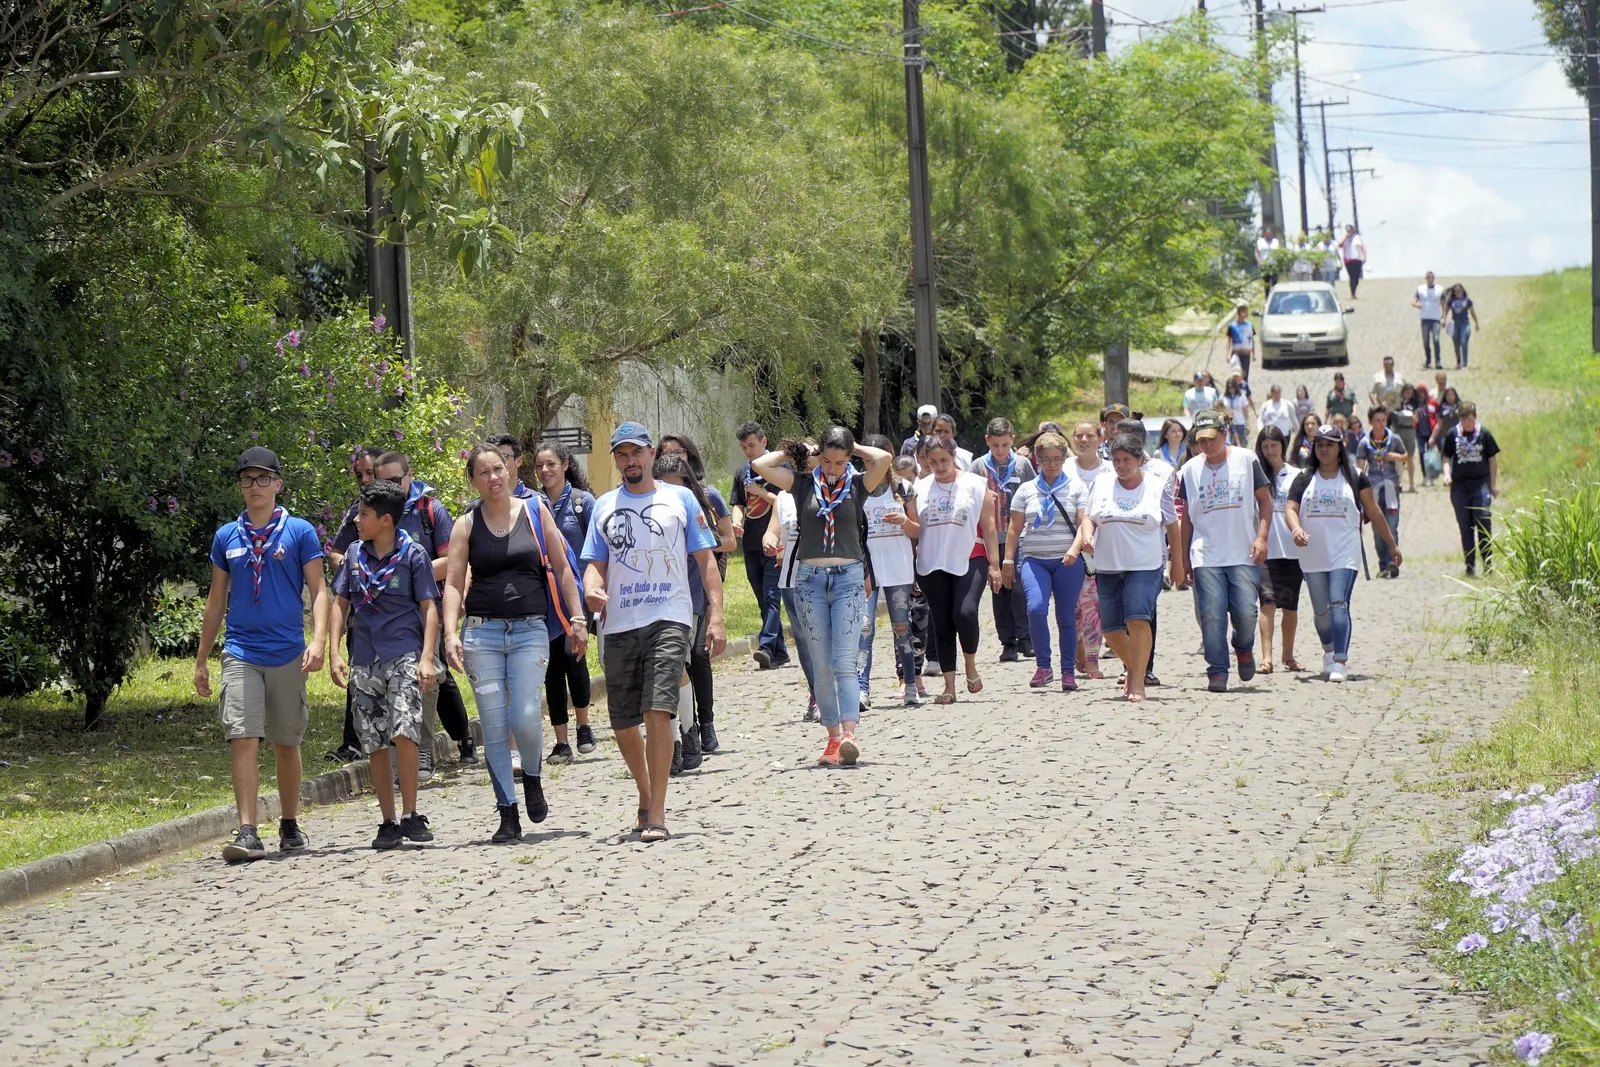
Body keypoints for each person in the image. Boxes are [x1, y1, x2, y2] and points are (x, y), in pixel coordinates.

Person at [580, 423, 723, 842]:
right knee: (624, 723)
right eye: (622, 455)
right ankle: (644, 794)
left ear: (650, 455)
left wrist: (716, 615)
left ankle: (657, 811)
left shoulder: (680, 499)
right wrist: (591, 587)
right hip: (620, 623)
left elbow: (706, 560)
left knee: (658, 710)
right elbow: (595, 563)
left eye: (637, 453)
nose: (630, 461)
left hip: (670, 616)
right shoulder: (604, 506)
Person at [443, 445, 586, 843]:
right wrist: (451, 633)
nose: (493, 477)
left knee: (524, 715)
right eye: (484, 472)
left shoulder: (535, 510)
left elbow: (562, 567)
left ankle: (533, 776)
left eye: (498, 468)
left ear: (508, 470)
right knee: (493, 725)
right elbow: (453, 583)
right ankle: (507, 813)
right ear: (473, 480)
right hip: (482, 634)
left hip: (529, 631)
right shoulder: (465, 524)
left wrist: (577, 618)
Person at [195, 447, 328, 862]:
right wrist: (201, 658)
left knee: (286, 741)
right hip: (241, 651)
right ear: (240, 486)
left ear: (278, 484)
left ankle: (289, 823)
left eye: (263, 478)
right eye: (247, 479)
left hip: (287, 651)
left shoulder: (299, 532)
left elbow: (319, 590)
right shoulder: (226, 536)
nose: (255, 486)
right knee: (243, 736)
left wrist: (319, 640)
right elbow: (216, 599)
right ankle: (248, 830)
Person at [753, 428, 892, 765]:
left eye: (839, 462)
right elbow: (760, 465)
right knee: (822, 666)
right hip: (810, 580)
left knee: (844, 661)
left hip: (848, 579)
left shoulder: (857, 484)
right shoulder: (802, 484)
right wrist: (798, 450)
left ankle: (849, 735)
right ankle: (832, 739)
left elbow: (884, 459)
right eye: (826, 461)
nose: (832, 468)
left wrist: (854, 448)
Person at [328, 480, 440, 850]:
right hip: (364, 658)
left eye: (363, 515)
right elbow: (340, 603)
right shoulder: (354, 555)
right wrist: (334, 652)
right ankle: (388, 820)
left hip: (403, 654)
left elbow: (429, 607)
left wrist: (427, 657)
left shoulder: (413, 554)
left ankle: (410, 813)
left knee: (404, 731)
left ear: (386, 520)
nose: (356, 521)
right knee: (373, 740)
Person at [1067, 432, 1184, 703]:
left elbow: (1172, 524)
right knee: (1111, 630)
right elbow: (1089, 518)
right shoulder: (1102, 482)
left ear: (1139, 459)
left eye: (1126, 460)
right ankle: (1135, 667)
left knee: (1138, 618)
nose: (1120, 466)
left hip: (1145, 565)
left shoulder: (1156, 485)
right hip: (1108, 566)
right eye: (1117, 460)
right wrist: (1087, 536)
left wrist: (1177, 563)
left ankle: (1138, 681)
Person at [372, 452, 466, 782]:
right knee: (385, 681)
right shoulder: (368, 512)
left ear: (409, 476)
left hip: (425, 609)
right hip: (382, 614)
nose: (390, 487)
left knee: (425, 679)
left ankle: (423, 747)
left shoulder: (430, 510)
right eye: (382, 481)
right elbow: (347, 553)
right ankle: (395, 753)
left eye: (395, 481)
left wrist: (407, 573)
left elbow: (452, 560)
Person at [1285, 426, 1402, 682]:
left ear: (1339, 447)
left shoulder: (1356, 477)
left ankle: (1340, 660)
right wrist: (1296, 529)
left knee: (1338, 602)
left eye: (1329, 444)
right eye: (1319, 444)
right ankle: (1328, 649)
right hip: (1313, 554)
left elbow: (1374, 511)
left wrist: (1392, 545)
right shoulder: (1304, 478)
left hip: (1345, 552)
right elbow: (1290, 509)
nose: (1324, 449)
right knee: (1321, 611)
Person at [1177, 410, 1273, 693]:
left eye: (1211, 439)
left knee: (1246, 613)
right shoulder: (1190, 470)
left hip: (1242, 551)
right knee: (1212, 615)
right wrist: (1182, 558)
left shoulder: (1246, 460)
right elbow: (1187, 518)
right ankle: (1217, 669)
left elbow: (1265, 502)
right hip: (1206, 554)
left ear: (1224, 434)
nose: (1206, 445)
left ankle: (1243, 646)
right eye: (1200, 440)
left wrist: (1262, 537)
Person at [660, 433, 734, 769]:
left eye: (679, 453)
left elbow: (727, 542)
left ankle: (702, 726)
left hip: (695, 591)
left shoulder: (706, 497)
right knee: (674, 667)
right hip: (660, 598)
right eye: (666, 453)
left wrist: (699, 542)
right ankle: (679, 737)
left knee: (696, 660)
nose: (674, 458)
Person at [913, 433, 1001, 704]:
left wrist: (995, 565)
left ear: (953, 457)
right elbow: (914, 529)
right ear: (924, 462)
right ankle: (949, 686)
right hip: (932, 561)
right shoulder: (919, 489)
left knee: (965, 613)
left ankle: (970, 665)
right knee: (942, 622)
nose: (939, 466)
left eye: (944, 460)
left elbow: (989, 526)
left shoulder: (975, 484)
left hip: (970, 555)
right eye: (932, 462)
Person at [1003, 432, 1089, 691]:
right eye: (1046, 459)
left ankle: (1067, 672)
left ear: (1063, 459)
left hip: (1067, 561)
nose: (1052, 464)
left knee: (1066, 616)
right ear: (1038, 461)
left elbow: (1084, 523)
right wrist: (1008, 561)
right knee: (1036, 608)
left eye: (1057, 459)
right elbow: (1014, 528)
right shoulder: (1026, 490)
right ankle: (1043, 666)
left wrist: (1075, 549)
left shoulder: (1077, 487)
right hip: (1034, 559)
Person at [653, 452, 721, 773]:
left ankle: (688, 732)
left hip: (685, 600)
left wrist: (715, 612)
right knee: (658, 674)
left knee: (675, 666)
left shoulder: (692, 507)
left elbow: (710, 558)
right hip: (646, 603)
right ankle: (676, 739)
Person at [532, 440, 599, 762]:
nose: (545, 470)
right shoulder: (532, 505)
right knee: (551, 669)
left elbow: (598, 547)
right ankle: (561, 742)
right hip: (543, 599)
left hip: (577, 596)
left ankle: (584, 726)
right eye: (539, 466)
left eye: (551, 464)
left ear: (565, 465)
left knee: (574, 658)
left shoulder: (582, 502)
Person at [324, 445, 388, 765]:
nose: (364, 480)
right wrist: (358, 575)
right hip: (363, 609)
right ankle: (353, 743)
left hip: (401, 612)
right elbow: (336, 553)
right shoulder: (355, 513)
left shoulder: (408, 510)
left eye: (370, 473)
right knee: (359, 673)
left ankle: (459, 738)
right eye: (359, 475)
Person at [857, 435, 921, 709]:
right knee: (864, 628)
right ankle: (861, 689)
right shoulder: (856, 486)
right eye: (867, 458)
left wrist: (904, 520)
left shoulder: (903, 488)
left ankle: (910, 684)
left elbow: (917, 531)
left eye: (877, 457)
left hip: (897, 566)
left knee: (901, 627)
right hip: (866, 568)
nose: (872, 463)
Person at [764, 443, 821, 719]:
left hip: (825, 574)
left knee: (826, 637)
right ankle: (817, 694)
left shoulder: (831, 488)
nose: (806, 462)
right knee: (804, 640)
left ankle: (839, 691)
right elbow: (772, 531)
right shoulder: (783, 496)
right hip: (792, 576)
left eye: (812, 457)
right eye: (801, 458)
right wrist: (769, 540)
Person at [730, 421, 789, 672]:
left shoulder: (780, 470)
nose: (748, 451)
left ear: (764, 442)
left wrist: (760, 491)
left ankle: (765, 646)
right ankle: (780, 651)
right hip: (751, 543)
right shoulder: (741, 472)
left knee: (772, 595)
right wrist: (736, 522)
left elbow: (784, 503)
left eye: (752, 445)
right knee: (762, 599)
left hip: (775, 543)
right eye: (744, 447)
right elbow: (738, 504)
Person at [978, 418, 1035, 661]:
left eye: (1005, 445)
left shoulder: (1022, 464)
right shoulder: (978, 466)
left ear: (1012, 440)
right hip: (992, 537)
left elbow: (1034, 491)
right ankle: (1008, 642)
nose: (1000, 450)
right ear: (987, 441)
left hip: (1019, 534)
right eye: (995, 445)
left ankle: (1026, 637)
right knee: (999, 588)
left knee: (1021, 586)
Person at [1254, 427, 1303, 673]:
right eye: (1265, 446)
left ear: (1283, 445)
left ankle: (1288, 656)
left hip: (1292, 551)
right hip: (1266, 550)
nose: (1270, 450)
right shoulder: (1256, 476)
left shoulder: (1297, 475)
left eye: (1274, 445)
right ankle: (1266, 658)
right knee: (1267, 603)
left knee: (1291, 607)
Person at [1440, 402, 1499, 577]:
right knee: (1465, 526)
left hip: (1480, 484)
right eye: (1464, 419)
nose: (1467, 423)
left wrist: (1493, 485)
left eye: (1470, 419)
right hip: (1459, 487)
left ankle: (1488, 564)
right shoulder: (1453, 434)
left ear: (1475, 417)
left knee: (1483, 521)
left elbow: (1492, 460)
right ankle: (1470, 566)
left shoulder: (1484, 434)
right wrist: (1446, 474)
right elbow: (1446, 457)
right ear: (1460, 419)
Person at [1355, 406, 1406, 578]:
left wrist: (1395, 457)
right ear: (1370, 422)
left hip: (1391, 488)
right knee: (1378, 529)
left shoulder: (1394, 439)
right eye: (1377, 421)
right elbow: (1359, 468)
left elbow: (1405, 455)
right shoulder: (1365, 442)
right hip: (1373, 491)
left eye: (1384, 420)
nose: (1381, 424)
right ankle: (1383, 564)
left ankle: (1393, 562)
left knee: (1392, 526)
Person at [1413, 271, 1445, 370]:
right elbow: (1414, 301)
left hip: (1436, 319)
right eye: (1428, 277)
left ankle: (1438, 361)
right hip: (1425, 318)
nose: (1430, 279)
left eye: (1431, 277)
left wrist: (1443, 317)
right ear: (1426, 278)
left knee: (1436, 339)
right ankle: (1428, 360)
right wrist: (1416, 304)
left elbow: (1444, 304)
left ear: (1434, 278)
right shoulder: (1420, 289)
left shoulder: (1440, 289)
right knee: (1426, 341)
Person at [1393, 384, 1422, 493]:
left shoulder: (1414, 403)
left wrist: (1410, 414)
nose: (1408, 395)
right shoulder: (1397, 402)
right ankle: (1398, 483)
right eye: (1407, 393)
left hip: (1409, 430)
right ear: (1403, 392)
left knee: (1410, 457)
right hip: (1398, 429)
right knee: (1398, 457)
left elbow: (1416, 420)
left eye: (1410, 393)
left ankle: (1411, 484)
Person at [1446, 283, 1479, 369]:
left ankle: (1465, 363)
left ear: (1462, 290)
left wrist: (1476, 323)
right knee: (1456, 343)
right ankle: (1458, 362)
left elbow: (1472, 312)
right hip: (1455, 324)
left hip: (1465, 323)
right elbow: (1446, 311)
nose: (1457, 293)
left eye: (1459, 291)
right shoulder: (1451, 301)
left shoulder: (1467, 300)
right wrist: (1444, 319)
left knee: (1464, 342)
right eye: (1455, 291)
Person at [1225, 304, 1256, 382]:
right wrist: (1228, 354)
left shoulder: (1249, 325)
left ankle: (1244, 387)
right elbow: (1229, 340)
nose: (1247, 313)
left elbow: (1251, 339)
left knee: (1245, 373)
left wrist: (1253, 353)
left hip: (1246, 353)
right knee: (1236, 373)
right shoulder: (1232, 326)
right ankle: (1236, 387)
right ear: (1241, 312)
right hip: (1236, 353)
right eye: (1246, 311)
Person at [1223, 375, 1255, 447]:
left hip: (1240, 423)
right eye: (1229, 387)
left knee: (1241, 445)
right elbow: (1222, 410)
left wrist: (1247, 424)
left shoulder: (1241, 396)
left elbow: (1245, 410)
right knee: (1230, 445)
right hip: (1228, 423)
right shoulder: (1224, 397)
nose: (1231, 389)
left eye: (1233, 387)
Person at [1340, 224, 1367, 299]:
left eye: (1350, 230)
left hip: (1357, 260)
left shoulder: (1357, 237)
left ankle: (1354, 291)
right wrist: (1345, 237)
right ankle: (1352, 293)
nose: (1349, 231)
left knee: (1357, 278)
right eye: (1347, 230)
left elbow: (1363, 247)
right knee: (1352, 277)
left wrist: (1364, 256)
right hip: (1348, 260)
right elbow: (1340, 245)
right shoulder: (1345, 238)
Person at [1255, 227, 1281, 294]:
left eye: (1269, 233)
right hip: (1264, 265)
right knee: (1266, 284)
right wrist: (1258, 261)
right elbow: (1256, 252)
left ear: (1271, 234)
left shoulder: (1275, 241)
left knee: (1274, 283)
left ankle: (1275, 297)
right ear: (1264, 234)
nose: (1268, 235)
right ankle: (1267, 298)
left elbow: (1279, 252)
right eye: (1267, 233)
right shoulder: (1260, 242)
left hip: (1274, 265)